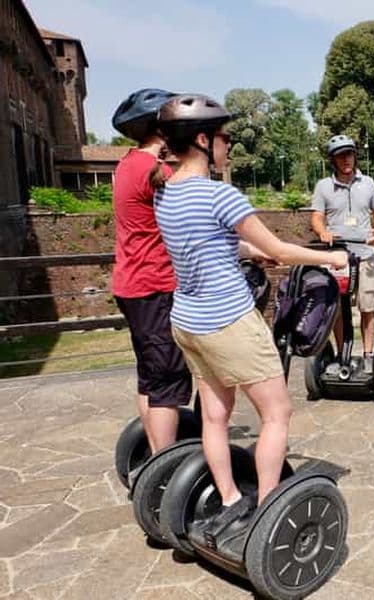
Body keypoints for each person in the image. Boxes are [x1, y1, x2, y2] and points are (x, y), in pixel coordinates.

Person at [151, 94, 348, 529]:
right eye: (225, 138)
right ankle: (268, 510)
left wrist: (248, 252)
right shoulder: (222, 195)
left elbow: (202, 244)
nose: (229, 146)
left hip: (188, 322)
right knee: (277, 413)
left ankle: (230, 498)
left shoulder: (164, 193)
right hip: (229, 321)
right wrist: (330, 258)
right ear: (203, 141)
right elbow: (281, 249)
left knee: (215, 415)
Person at [110, 88, 193, 454]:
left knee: (149, 377)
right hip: (154, 285)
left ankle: (154, 458)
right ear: (161, 127)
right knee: (167, 380)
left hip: (131, 285)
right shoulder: (156, 172)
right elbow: (191, 219)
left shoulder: (126, 164)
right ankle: (164, 467)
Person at [310, 134, 374, 373]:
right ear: (333, 159)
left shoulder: (368, 183)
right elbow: (317, 217)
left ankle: (369, 355)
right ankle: (342, 355)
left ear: (355, 156)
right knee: (338, 310)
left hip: (365, 255)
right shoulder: (324, 186)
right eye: (341, 155)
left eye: (349, 154)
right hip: (337, 258)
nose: (346, 159)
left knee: (367, 306)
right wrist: (322, 232)